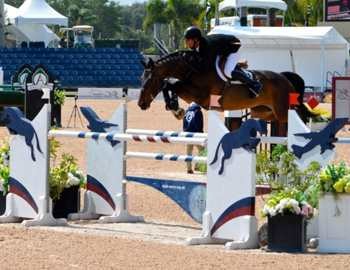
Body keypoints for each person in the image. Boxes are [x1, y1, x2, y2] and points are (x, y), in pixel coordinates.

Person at [183, 26, 262, 95]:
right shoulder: (200, 45)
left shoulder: (207, 47)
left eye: (188, 41)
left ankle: (254, 84)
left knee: (227, 71)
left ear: (196, 40)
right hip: (222, 49)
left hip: (234, 46)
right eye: (186, 41)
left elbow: (206, 66)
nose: (186, 43)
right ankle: (236, 65)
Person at [183, 102, 204, 174]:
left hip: (188, 133)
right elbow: (199, 123)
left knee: (189, 152)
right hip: (195, 134)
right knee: (202, 150)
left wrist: (185, 130)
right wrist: (200, 132)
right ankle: (198, 165)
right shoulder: (197, 111)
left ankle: (189, 168)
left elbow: (184, 122)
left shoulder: (187, 111)